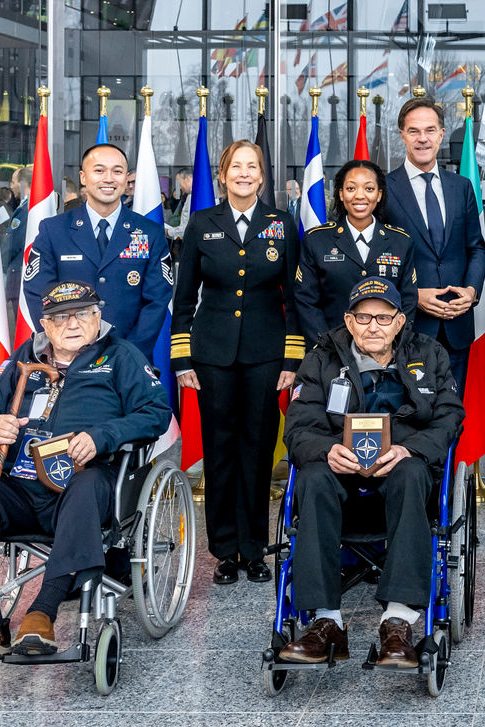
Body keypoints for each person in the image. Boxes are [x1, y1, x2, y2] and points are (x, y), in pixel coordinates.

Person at [0, 281, 170, 657]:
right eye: (60, 317)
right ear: (45, 325)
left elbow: (156, 413)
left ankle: (42, 612)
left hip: (85, 485)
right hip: (20, 487)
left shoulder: (120, 356)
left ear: (97, 316)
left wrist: (102, 435)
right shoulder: (24, 359)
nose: (72, 324)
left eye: (82, 314)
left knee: (84, 487)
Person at [280, 277, 463, 667]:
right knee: (311, 477)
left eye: (383, 317)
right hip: (339, 475)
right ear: (348, 321)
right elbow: (297, 427)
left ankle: (398, 621)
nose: (373, 326)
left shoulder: (429, 354)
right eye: (363, 318)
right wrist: (327, 449)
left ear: (400, 321)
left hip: (402, 475)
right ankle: (324, 623)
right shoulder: (320, 359)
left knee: (414, 472)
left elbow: (450, 418)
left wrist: (408, 448)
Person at [172, 139, 303, 586]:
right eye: (236, 166)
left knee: (259, 450)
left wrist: (293, 357)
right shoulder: (202, 224)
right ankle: (225, 551)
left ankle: (255, 548)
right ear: (223, 175)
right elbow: (184, 296)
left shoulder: (282, 224)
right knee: (221, 451)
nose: (245, 173)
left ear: (263, 177)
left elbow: (295, 299)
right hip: (212, 356)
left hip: (267, 356)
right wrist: (182, 357)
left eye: (253, 167)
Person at [23, 144, 171, 361]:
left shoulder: (150, 232)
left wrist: (128, 353)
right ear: (83, 177)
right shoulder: (53, 230)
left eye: (117, 171)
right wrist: (65, 345)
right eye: (99, 170)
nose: (109, 178)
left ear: (127, 178)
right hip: (69, 360)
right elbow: (38, 293)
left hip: (130, 359)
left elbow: (157, 300)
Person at [384, 97, 485, 392]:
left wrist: (471, 291)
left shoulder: (462, 187)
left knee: (451, 415)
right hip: (408, 325)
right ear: (402, 135)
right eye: (414, 131)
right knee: (409, 415)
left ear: (441, 134)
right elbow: (375, 258)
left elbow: (476, 248)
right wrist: (412, 295)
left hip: (457, 325)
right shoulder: (384, 189)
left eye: (430, 130)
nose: (422, 138)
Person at [296, 159, 415, 342]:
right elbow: (307, 301)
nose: (360, 196)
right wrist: (327, 347)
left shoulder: (401, 241)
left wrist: (392, 343)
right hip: (331, 350)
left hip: (386, 350)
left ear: (379, 195)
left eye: (369, 189)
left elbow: (408, 300)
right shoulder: (316, 240)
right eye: (351, 189)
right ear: (341, 194)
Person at [4, 165, 32, 320]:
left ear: (22, 183)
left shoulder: (25, 209)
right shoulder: (28, 206)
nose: (11, 186)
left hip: (18, 275)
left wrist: (0, 263)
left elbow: (12, 244)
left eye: (13, 182)